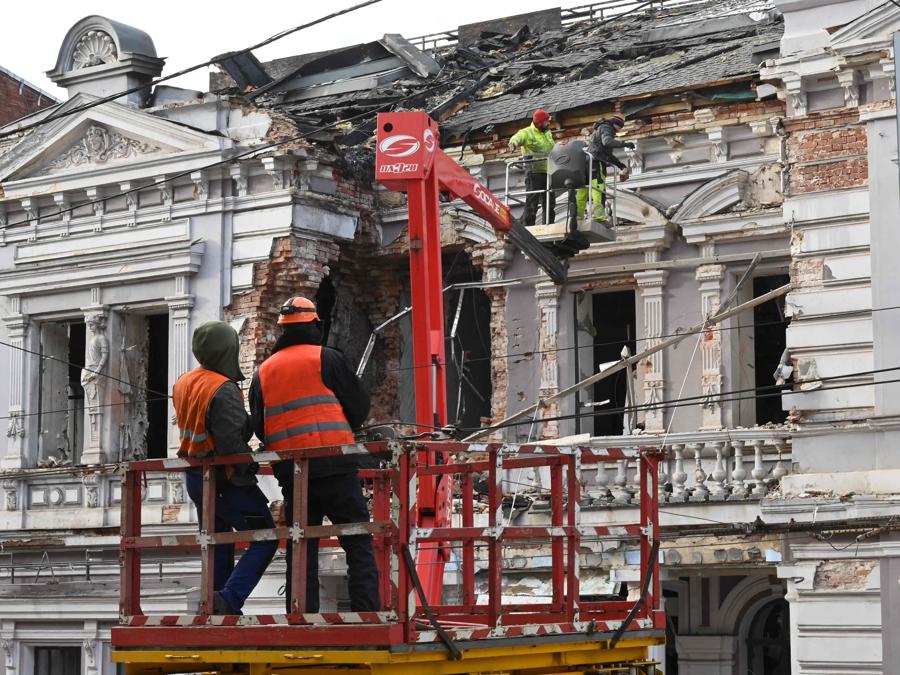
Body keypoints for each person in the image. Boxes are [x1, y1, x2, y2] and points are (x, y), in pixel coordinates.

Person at [249, 296, 378, 613]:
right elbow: (359, 407)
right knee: (357, 539)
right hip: (335, 464)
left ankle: (301, 614)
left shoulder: (262, 372)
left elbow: (261, 427)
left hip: (294, 473)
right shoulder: (327, 358)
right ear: (315, 325)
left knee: (301, 544)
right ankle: (367, 612)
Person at [173, 321, 277, 615]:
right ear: (227, 350)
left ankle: (216, 604)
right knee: (265, 537)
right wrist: (249, 463)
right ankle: (229, 599)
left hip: (196, 478)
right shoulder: (223, 388)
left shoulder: (184, 381)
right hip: (226, 480)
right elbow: (232, 440)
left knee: (218, 540)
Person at [575, 113, 635, 224]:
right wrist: (624, 144)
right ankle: (599, 217)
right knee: (598, 189)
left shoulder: (601, 128)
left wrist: (620, 165)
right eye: (620, 127)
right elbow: (607, 142)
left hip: (586, 162)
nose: (619, 130)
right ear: (616, 124)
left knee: (583, 191)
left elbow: (607, 154)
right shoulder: (607, 128)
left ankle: (577, 218)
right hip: (596, 163)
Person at [509, 108, 556, 227]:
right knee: (532, 201)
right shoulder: (527, 132)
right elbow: (516, 138)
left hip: (548, 171)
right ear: (540, 123)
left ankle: (549, 225)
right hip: (534, 172)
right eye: (546, 121)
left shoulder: (547, 132)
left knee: (549, 201)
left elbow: (551, 147)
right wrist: (513, 144)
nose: (549, 123)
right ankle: (528, 227)